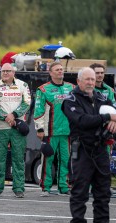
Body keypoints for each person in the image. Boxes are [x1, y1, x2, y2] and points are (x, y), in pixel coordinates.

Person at [61, 67, 116, 223]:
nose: (91, 82)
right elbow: (82, 120)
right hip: (81, 151)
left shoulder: (101, 97)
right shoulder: (70, 100)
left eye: (92, 79)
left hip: (100, 151)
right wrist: (108, 117)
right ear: (78, 81)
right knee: (79, 195)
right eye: (87, 79)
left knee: (103, 195)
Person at [33, 62, 74, 196]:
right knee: (48, 160)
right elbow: (38, 110)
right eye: (57, 70)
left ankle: (64, 186)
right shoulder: (43, 89)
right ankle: (46, 187)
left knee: (65, 160)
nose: (60, 71)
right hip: (50, 132)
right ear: (50, 73)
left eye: (61, 69)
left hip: (67, 132)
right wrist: (39, 129)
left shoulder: (72, 88)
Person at [0, 63, 31, 198]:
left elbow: (27, 103)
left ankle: (19, 188)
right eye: (3, 71)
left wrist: (13, 115)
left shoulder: (22, 85)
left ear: (14, 72)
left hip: (17, 128)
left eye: (8, 71)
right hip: (0, 128)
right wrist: (5, 117)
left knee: (19, 159)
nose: (6, 73)